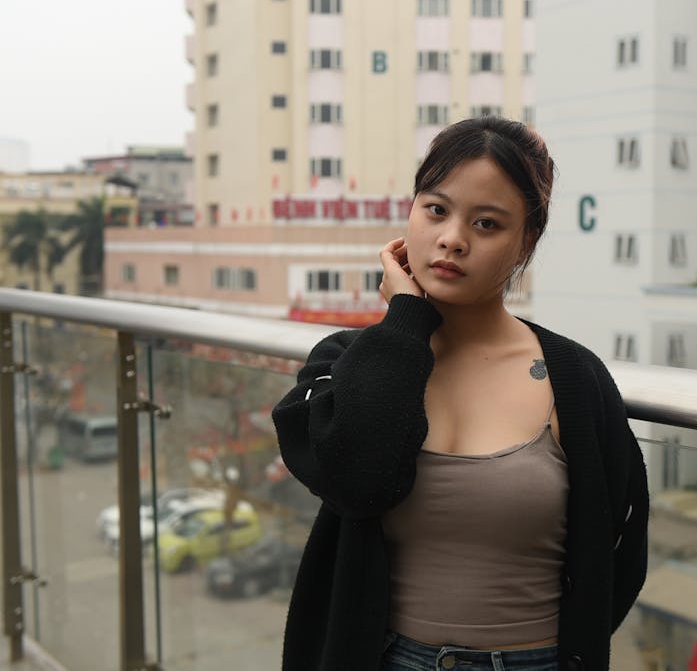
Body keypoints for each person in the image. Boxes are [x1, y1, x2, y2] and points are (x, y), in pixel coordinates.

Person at [273, 117, 649, 671]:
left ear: (527, 240)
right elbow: (358, 481)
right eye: (436, 210)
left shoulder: (574, 377)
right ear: (410, 215)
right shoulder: (349, 361)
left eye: (488, 223)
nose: (452, 237)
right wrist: (405, 322)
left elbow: (619, 549)